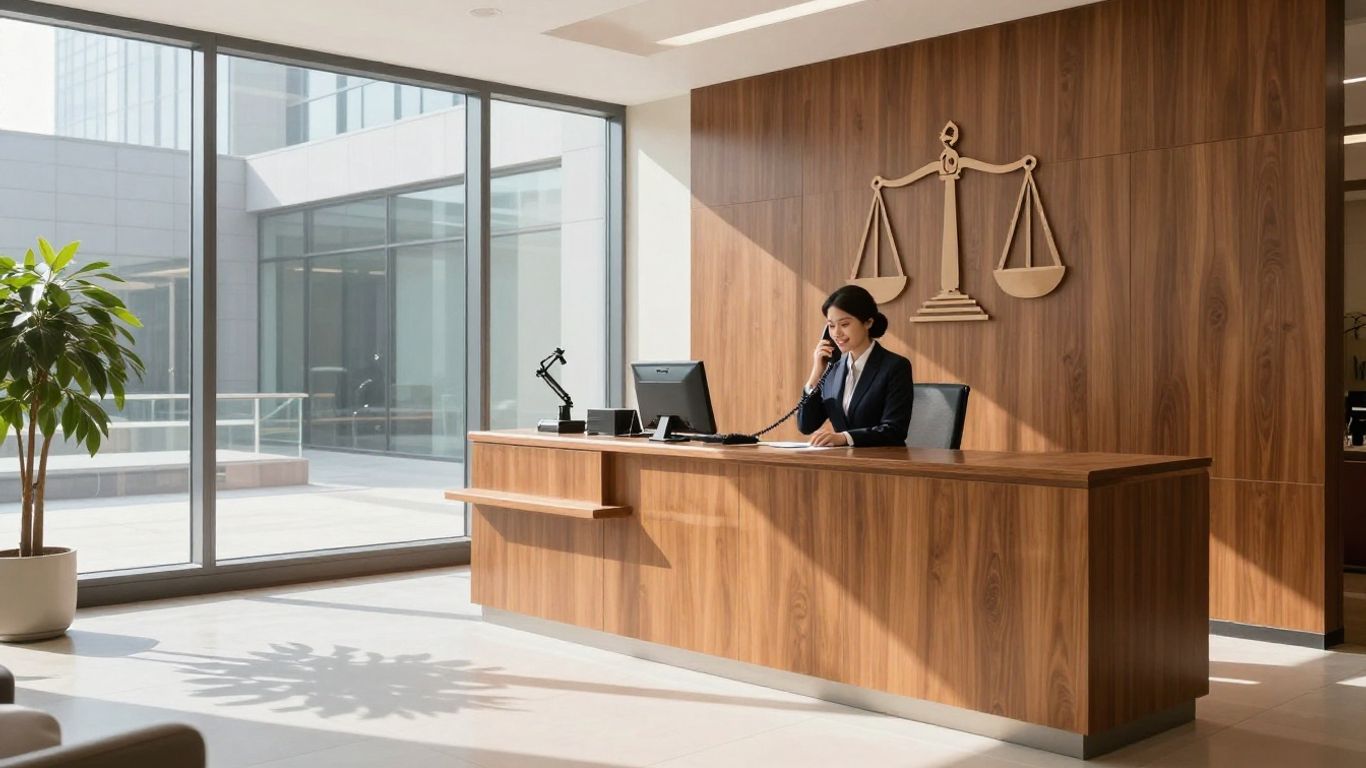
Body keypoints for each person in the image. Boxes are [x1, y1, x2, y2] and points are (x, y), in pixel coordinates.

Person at [797, 285, 914, 447]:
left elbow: (894, 430)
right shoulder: (833, 370)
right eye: (831, 326)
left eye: (844, 324)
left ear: (868, 322)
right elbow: (806, 425)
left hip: (883, 464)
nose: (836, 333)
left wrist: (845, 438)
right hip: (843, 465)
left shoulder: (895, 367)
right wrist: (816, 373)